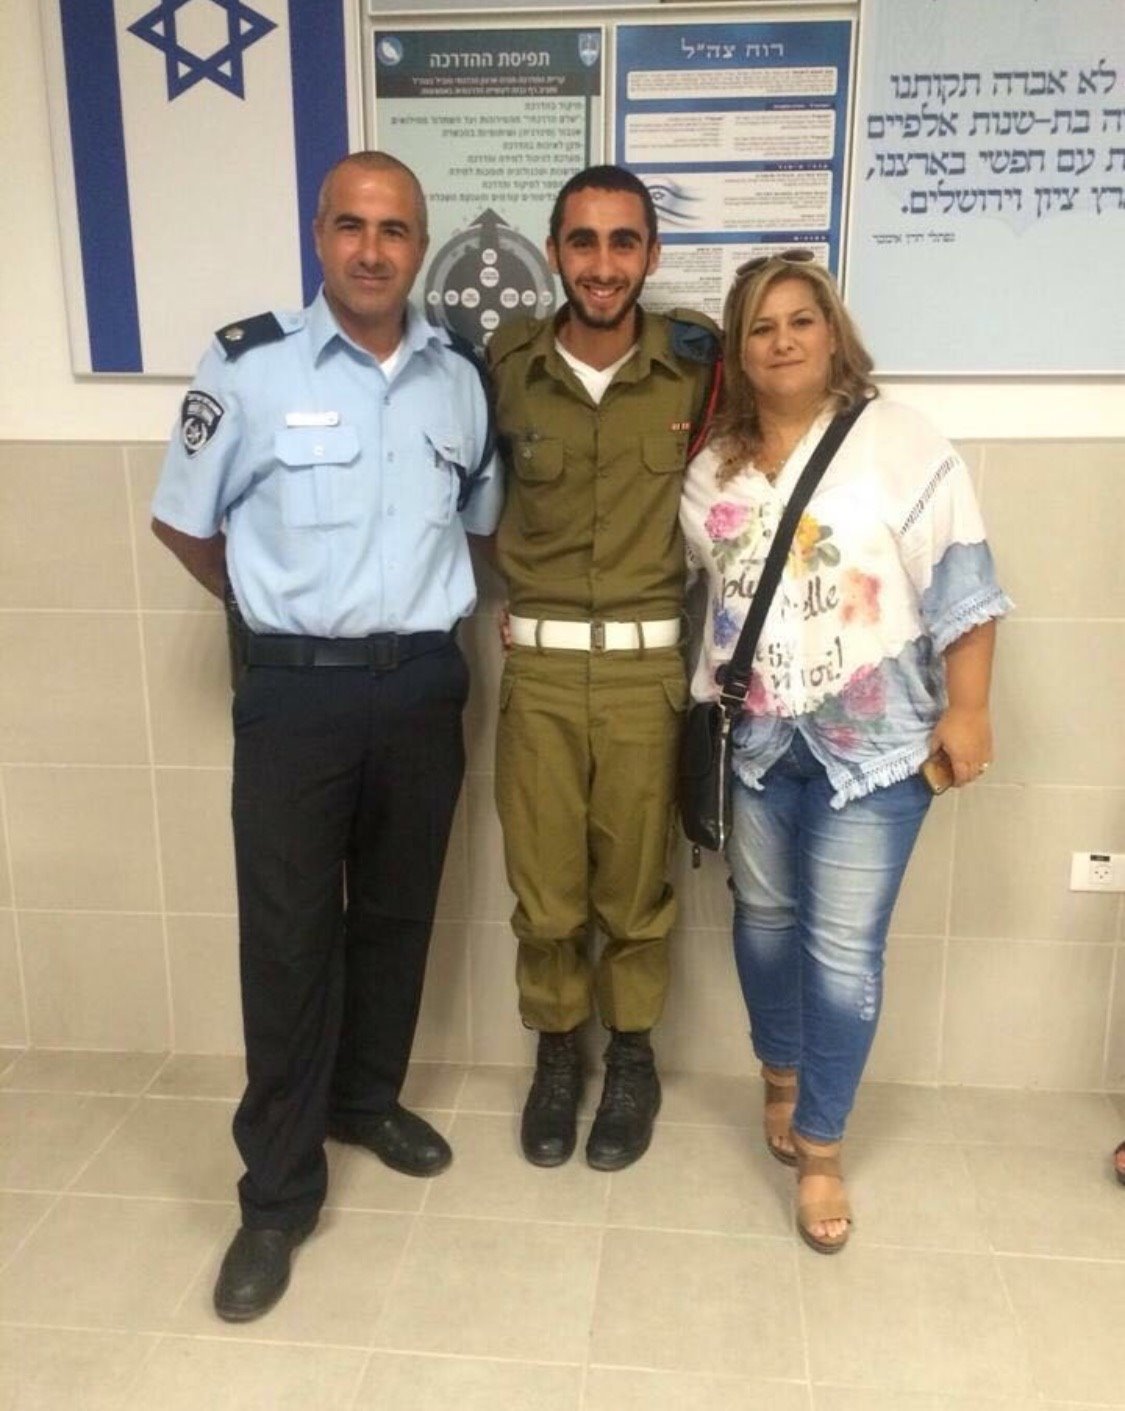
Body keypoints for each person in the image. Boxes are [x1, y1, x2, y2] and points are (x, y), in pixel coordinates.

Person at [151, 151, 502, 1319]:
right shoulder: (248, 367)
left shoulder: (460, 377)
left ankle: (365, 1099)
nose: (371, 248)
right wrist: (273, 610)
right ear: (320, 235)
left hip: (422, 686)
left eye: (394, 229)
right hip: (295, 696)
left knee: (398, 913)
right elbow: (186, 524)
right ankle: (276, 1196)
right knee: (291, 941)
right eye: (351, 225)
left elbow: (478, 524)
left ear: (421, 246)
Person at [680, 249, 1010, 1253]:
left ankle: (821, 1147)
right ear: (737, 350)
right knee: (764, 924)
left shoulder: (902, 442)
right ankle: (778, 1073)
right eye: (760, 327)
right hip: (756, 744)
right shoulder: (711, 468)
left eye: (800, 321)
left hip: (875, 750)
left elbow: (963, 584)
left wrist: (969, 709)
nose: (781, 341)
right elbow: (708, 595)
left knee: (840, 951)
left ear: (833, 333)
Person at [487, 165, 719, 1171]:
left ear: (651, 254)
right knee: (544, 891)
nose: (602, 263)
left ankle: (631, 1061)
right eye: (582, 241)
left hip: (645, 675)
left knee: (634, 891)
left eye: (624, 241)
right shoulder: (507, 367)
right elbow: (471, 495)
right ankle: (555, 1057)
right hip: (539, 676)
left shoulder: (697, 368)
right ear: (553, 252)